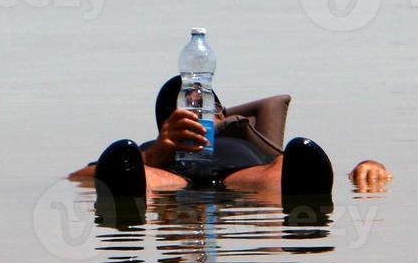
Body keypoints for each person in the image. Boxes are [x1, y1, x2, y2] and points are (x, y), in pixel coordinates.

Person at [72, 76, 391, 197]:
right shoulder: (147, 151)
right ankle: (129, 194)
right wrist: (154, 153)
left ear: (221, 112)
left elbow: (317, 166)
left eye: (204, 108)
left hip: (245, 175)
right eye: (181, 112)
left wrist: (367, 165)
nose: (197, 117)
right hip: (170, 174)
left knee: (284, 162)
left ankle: (300, 198)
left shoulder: (247, 143)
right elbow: (80, 175)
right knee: (137, 173)